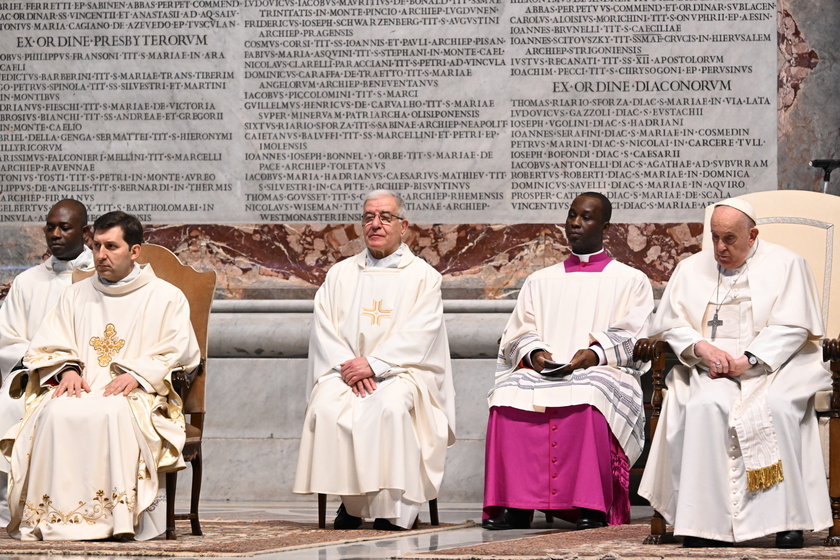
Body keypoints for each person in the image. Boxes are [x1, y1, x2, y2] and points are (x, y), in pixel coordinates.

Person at [638, 198, 831, 548]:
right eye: (714, 238)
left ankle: (788, 521)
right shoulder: (691, 269)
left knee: (777, 408)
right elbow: (669, 324)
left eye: (729, 239)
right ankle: (704, 524)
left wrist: (750, 360)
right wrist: (701, 348)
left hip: (777, 366)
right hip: (710, 369)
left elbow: (794, 328)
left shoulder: (788, 265)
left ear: (753, 235)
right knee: (704, 407)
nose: (719, 248)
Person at [1, 211, 200, 541]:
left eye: (111, 247)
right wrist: (66, 369)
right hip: (84, 385)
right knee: (53, 411)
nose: (101, 255)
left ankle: (117, 520)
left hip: (136, 393)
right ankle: (55, 518)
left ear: (134, 251)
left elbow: (180, 352)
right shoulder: (75, 295)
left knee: (111, 411)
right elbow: (50, 342)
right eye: (96, 247)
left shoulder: (165, 297)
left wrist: (138, 374)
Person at [483, 192, 654, 530]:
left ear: (605, 226)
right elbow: (518, 331)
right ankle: (515, 506)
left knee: (589, 396)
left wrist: (594, 353)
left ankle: (590, 505)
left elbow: (637, 334)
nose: (575, 223)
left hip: (603, 370)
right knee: (504, 397)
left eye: (586, 217)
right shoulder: (541, 280)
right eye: (572, 215)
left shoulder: (631, 280)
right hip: (545, 371)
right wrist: (536, 354)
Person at [294, 190, 456, 531]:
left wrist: (376, 364)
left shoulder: (423, 277)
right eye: (368, 217)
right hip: (347, 372)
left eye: (385, 217)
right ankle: (352, 503)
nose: (376, 224)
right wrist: (349, 367)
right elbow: (324, 328)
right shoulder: (340, 274)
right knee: (325, 405)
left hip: (405, 373)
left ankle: (396, 508)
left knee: (388, 407)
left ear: (404, 226)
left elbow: (421, 333)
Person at [0, 199, 94, 525]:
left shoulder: (100, 278)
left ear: (86, 232)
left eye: (64, 227)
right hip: (32, 379)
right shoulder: (27, 282)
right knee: (6, 407)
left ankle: (76, 509)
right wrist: (44, 367)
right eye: (50, 227)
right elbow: (8, 340)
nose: (55, 234)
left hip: (86, 380)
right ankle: (10, 506)